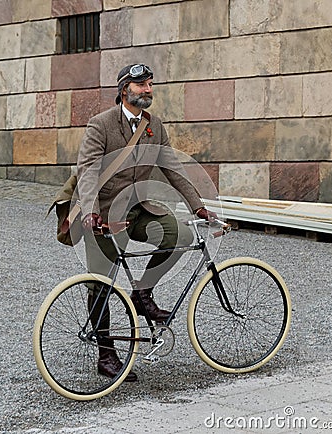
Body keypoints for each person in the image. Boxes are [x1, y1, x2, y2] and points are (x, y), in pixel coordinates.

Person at [76, 64, 216, 382]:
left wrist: (198, 206)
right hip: (106, 213)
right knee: (100, 285)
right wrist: (90, 211)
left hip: (140, 210)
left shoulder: (154, 125)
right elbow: (87, 171)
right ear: (125, 89)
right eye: (141, 85)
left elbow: (172, 168)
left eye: (150, 84)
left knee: (178, 234)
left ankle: (142, 294)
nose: (148, 90)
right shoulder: (101, 125)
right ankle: (107, 355)